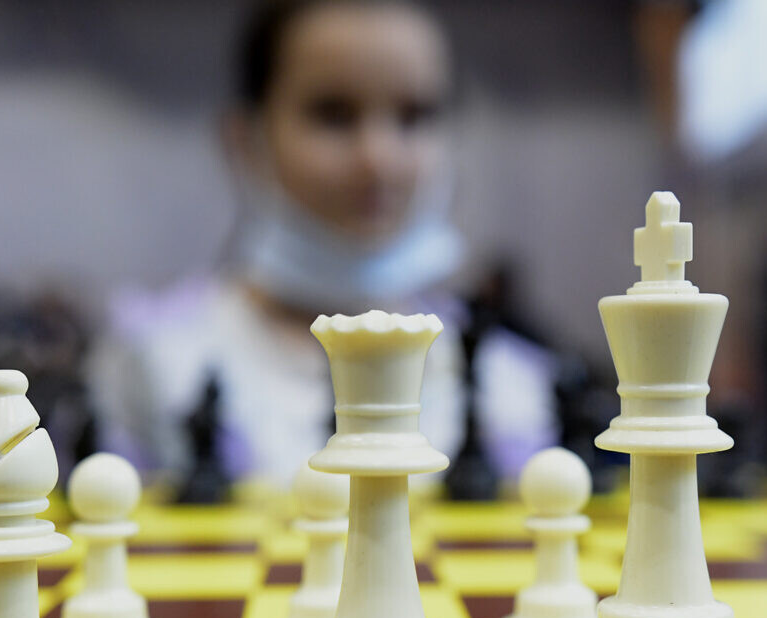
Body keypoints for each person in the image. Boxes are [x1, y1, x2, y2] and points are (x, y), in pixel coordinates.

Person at [88, 0, 558, 489]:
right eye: (333, 115)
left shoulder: (512, 383)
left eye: (414, 116)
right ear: (245, 139)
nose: (379, 159)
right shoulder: (152, 363)